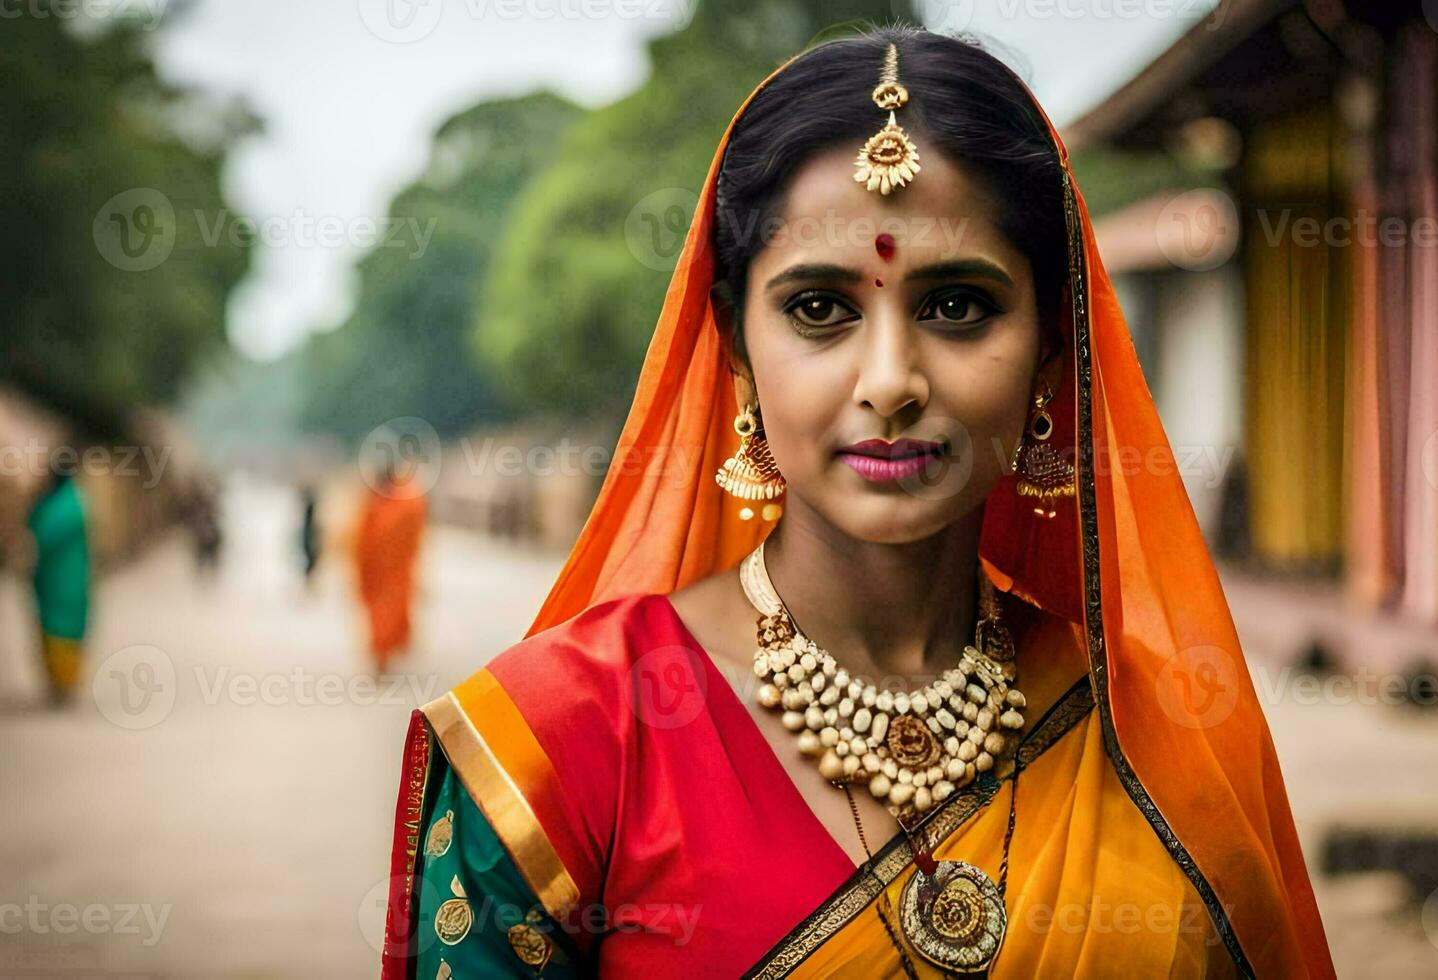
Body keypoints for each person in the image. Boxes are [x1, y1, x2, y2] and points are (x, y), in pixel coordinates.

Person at [381, 27, 1333, 979]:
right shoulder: (559, 742)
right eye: (819, 310)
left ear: (1051, 347)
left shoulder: (1160, 743)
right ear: (737, 348)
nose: (890, 381)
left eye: (958, 306)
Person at [356, 462, 428, 674]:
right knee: (381, 618)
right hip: (377, 573)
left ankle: (386, 654)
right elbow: (361, 539)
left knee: (391, 616)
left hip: (396, 571)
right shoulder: (376, 504)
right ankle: (382, 655)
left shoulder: (404, 503)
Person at [28, 470, 90, 706]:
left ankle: (64, 684)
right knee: (55, 628)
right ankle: (58, 682)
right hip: (54, 580)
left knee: (63, 629)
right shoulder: (64, 501)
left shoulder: (67, 505)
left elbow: (42, 534)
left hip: (66, 580)